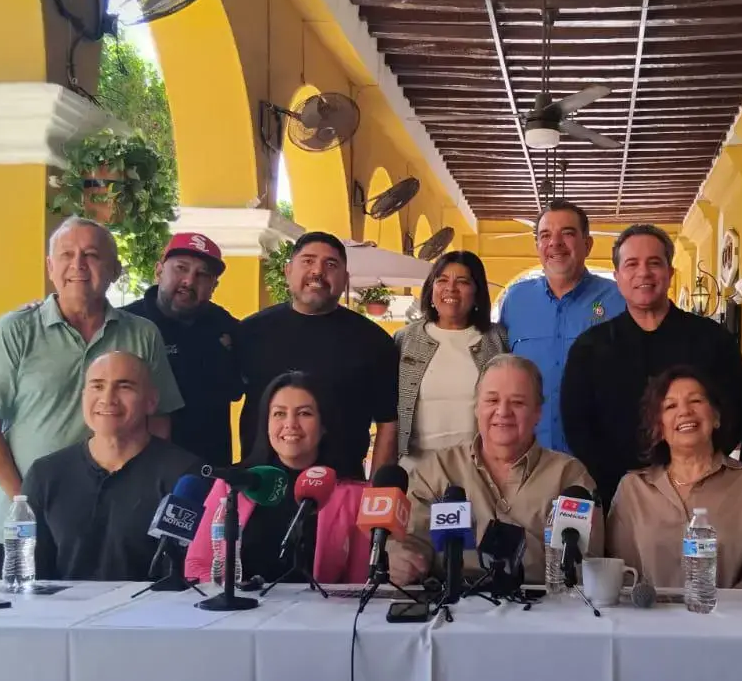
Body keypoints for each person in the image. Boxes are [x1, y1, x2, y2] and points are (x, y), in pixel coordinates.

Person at [0, 217, 183, 569]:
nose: (77, 265)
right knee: (35, 620)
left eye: (92, 255)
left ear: (115, 269)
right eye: (66, 254)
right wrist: (28, 501)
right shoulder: (15, 331)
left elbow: (157, 421)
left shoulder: (142, 335)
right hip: (28, 529)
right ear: (51, 267)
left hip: (118, 528)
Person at [561, 224, 742, 509]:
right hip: (617, 495)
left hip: (702, 494)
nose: (643, 273)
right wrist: (622, 482)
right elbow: (577, 426)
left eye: (654, 263)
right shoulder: (589, 348)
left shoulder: (713, 340)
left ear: (670, 273)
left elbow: (733, 413)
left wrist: (693, 472)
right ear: (618, 277)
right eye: (632, 264)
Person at [391, 354, 598, 585]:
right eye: (491, 400)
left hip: (543, 608)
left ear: (538, 412)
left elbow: (588, 564)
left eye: (517, 402)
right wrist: (403, 560)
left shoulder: (570, 477)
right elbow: (411, 541)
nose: (503, 412)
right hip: (454, 606)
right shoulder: (437, 470)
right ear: (476, 407)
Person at [21, 352, 201, 581]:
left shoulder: (184, 474)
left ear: (151, 401)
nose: (108, 398)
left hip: (154, 612)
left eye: (124, 387)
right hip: (64, 613)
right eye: (97, 386)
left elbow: (189, 574)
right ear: (83, 396)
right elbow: (31, 573)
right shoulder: (45, 474)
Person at [236, 231, 399, 479]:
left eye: (330, 264)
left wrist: (375, 495)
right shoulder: (250, 332)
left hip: (341, 487)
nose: (318, 271)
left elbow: (388, 423)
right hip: (260, 484)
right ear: (288, 271)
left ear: (344, 279)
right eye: (308, 261)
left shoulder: (373, 342)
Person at [184, 372, 371, 584]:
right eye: (279, 414)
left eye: (305, 413)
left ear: (324, 424)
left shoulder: (355, 494)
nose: (290, 424)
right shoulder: (235, 483)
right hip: (242, 612)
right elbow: (196, 565)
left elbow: (359, 582)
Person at [607, 365, 742, 591]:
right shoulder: (632, 489)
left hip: (733, 621)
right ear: (658, 428)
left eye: (696, 401)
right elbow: (621, 573)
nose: (685, 412)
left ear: (716, 417)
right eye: (670, 406)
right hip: (650, 621)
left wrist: (719, 613)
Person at [498, 199, 625, 454]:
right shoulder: (514, 301)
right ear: (538, 247)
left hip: (601, 455)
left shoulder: (619, 299)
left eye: (567, 233)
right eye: (545, 235)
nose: (554, 243)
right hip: (528, 457)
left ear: (587, 245)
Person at [121, 232, 242, 468]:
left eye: (202, 274)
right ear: (159, 271)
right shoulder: (125, 324)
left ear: (214, 285)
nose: (189, 280)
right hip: (137, 470)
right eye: (181, 268)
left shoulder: (227, 327)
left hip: (208, 472)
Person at [394, 251, 508, 465]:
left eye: (462, 281)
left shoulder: (498, 340)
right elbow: (388, 411)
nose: (451, 288)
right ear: (431, 289)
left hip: (478, 468)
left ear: (477, 292)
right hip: (415, 468)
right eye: (442, 280)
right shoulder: (405, 339)